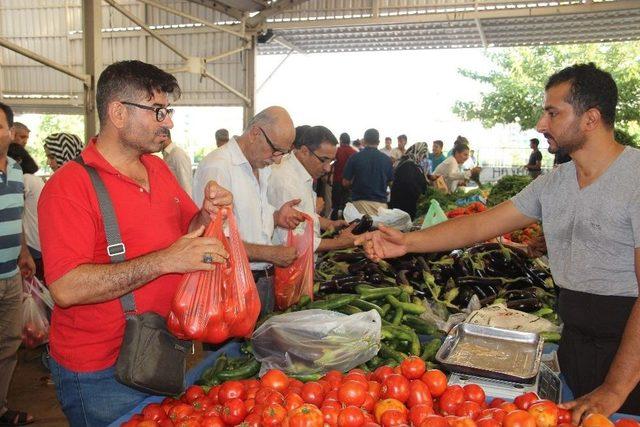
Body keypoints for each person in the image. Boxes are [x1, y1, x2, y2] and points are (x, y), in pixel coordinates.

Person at [357, 63, 640, 420]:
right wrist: (409, 242)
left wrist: (615, 389)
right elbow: (479, 226)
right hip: (576, 346)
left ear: (591, 118)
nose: (540, 124)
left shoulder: (635, 179)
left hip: (629, 358)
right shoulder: (555, 183)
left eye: (553, 112)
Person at [38, 60, 232, 426]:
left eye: (168, 111)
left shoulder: (156, 169)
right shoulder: (69, 188)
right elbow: (65, 288)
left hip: (160, 353)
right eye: (158, 111)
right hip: (100, 372)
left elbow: (187, 228)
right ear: (118, 113)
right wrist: (164, 261)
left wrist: (206, 216)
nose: (169, 122)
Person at [192, 106, 304, 315]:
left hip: (262, 281)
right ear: (255, 133)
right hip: (231, 286)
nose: (278, 159)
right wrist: (270, 253)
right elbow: (210, 240)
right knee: (232, 348)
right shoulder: (218, 166)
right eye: (276, 150)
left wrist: (277, 216)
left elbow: (249, 216)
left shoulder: (262, 166)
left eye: (284, 153)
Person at [0, 103, 36, 427]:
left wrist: (23, 251)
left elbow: (16, 218)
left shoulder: (14, 170)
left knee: (9, 345)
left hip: (10, 276)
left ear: (10, 133)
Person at [269, 125, 355, 252]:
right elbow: (293, 241)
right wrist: (341, 243)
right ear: (304, 151)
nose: (327, 168)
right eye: (323, 160)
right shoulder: (286, 182)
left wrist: (329, 224)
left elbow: (304, 215)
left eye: (331, 162)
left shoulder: (302, 174)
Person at [7, 143, 45, 281]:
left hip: (31, 243)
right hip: (38, 241)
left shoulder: (25, 179)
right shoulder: (34, 179)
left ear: (17, 161)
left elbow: (11, 207)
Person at [342, 128, 393, 216]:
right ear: (378, 142)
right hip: (380, 206)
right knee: (378, 229)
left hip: (359, 204)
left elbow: (345, 182)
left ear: (364, 141)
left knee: (358, 229)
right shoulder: (387, 160)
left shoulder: (355, 157)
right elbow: (391, 183)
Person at [389, 142, 428, 219]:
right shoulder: (408, 165)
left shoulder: (409, 163)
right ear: (418, 153)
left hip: (404, 205)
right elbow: (410, 185)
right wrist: (421, 194)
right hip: (403, 206)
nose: (422, 159)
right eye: (422, 156)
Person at [330, 132, 357, 220]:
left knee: (335, 206)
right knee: (347, 205)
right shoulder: (354, 152)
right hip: (349, 182)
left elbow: (331, 164)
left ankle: (333, 225)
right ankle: (345, 223)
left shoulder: (337, 150)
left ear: (341, 140)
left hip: (337, 181)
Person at [161, 130, 192, 195]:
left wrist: (186, 204)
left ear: (164, 136)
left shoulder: (177, 153)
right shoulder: (168, 154)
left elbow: (186, 184)